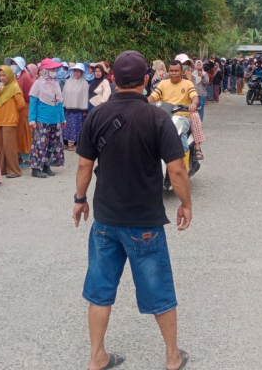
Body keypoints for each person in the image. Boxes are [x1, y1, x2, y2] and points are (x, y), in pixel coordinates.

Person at [73, 50, 192, 370]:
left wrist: (79, 199)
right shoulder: (157, 118)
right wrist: (185, 204)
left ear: (113, 78)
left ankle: (97, 356)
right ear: (146, 80)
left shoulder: (96, 115)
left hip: (105, 219)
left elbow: (84, 165)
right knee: (159, 290)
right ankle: (172, 357)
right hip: (145, 222)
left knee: (100, 290)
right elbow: (177, 170)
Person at [148, 61, 199, 158]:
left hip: (182, 116)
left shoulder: (188, 83)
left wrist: (193, 104)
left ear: (181, 72)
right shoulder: (163, 83)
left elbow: (194, 97)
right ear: (168, 71)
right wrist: (143, 103)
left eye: (176, 71)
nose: (174, 73)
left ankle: (184, 161)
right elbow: (153, 96)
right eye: (171, 71)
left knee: (179, 133)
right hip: (165, 115)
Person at [28, 59, 66, 179]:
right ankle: (35, 168)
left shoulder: (56, 83)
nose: (54, 71)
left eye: (55, 69)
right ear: (45, 70)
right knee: (40, 144)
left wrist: (62, 118)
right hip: (41, 119)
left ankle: (46, 166)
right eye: (52, 69)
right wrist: (31, 119)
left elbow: (59, 102)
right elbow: (33, 103)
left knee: (52, 144)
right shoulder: (38, 84)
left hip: (55, 119)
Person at [0, 65, 26, 178]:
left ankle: (14, 170)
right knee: (0, 147)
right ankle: (2, 169)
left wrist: (11, 111)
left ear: (9, 75)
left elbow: (21, 104)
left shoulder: (14, 88)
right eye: (0, 75)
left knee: (9, 147)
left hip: (9, 121)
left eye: (4, 75)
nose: (2, 77)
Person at [62, 63, 90, 150]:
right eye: (75, 71)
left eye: (78, 71)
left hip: (78, 110)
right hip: (67, 108)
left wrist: (85, 110)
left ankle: (76, 144)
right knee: (66, 127)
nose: (76, 73)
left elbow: (85, 97)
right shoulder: (68, 81)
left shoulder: (84, 83)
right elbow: (64, 94)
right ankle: (65, 143)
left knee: (77, 127)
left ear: (82, 73)